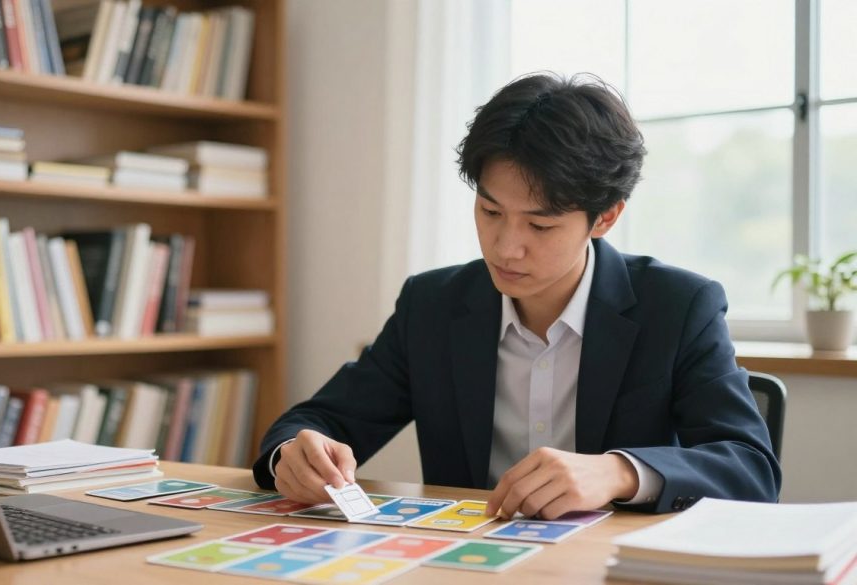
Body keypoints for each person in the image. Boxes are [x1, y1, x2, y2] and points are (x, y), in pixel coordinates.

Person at [252, 72, 781, 518]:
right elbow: (314, 422)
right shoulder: (432, 306)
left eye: (541, 225)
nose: (506, 248)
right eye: (490, 212)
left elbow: (750, 467)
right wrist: (292, 456)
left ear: (606, 216)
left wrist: (619, 471)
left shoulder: (679, 306)